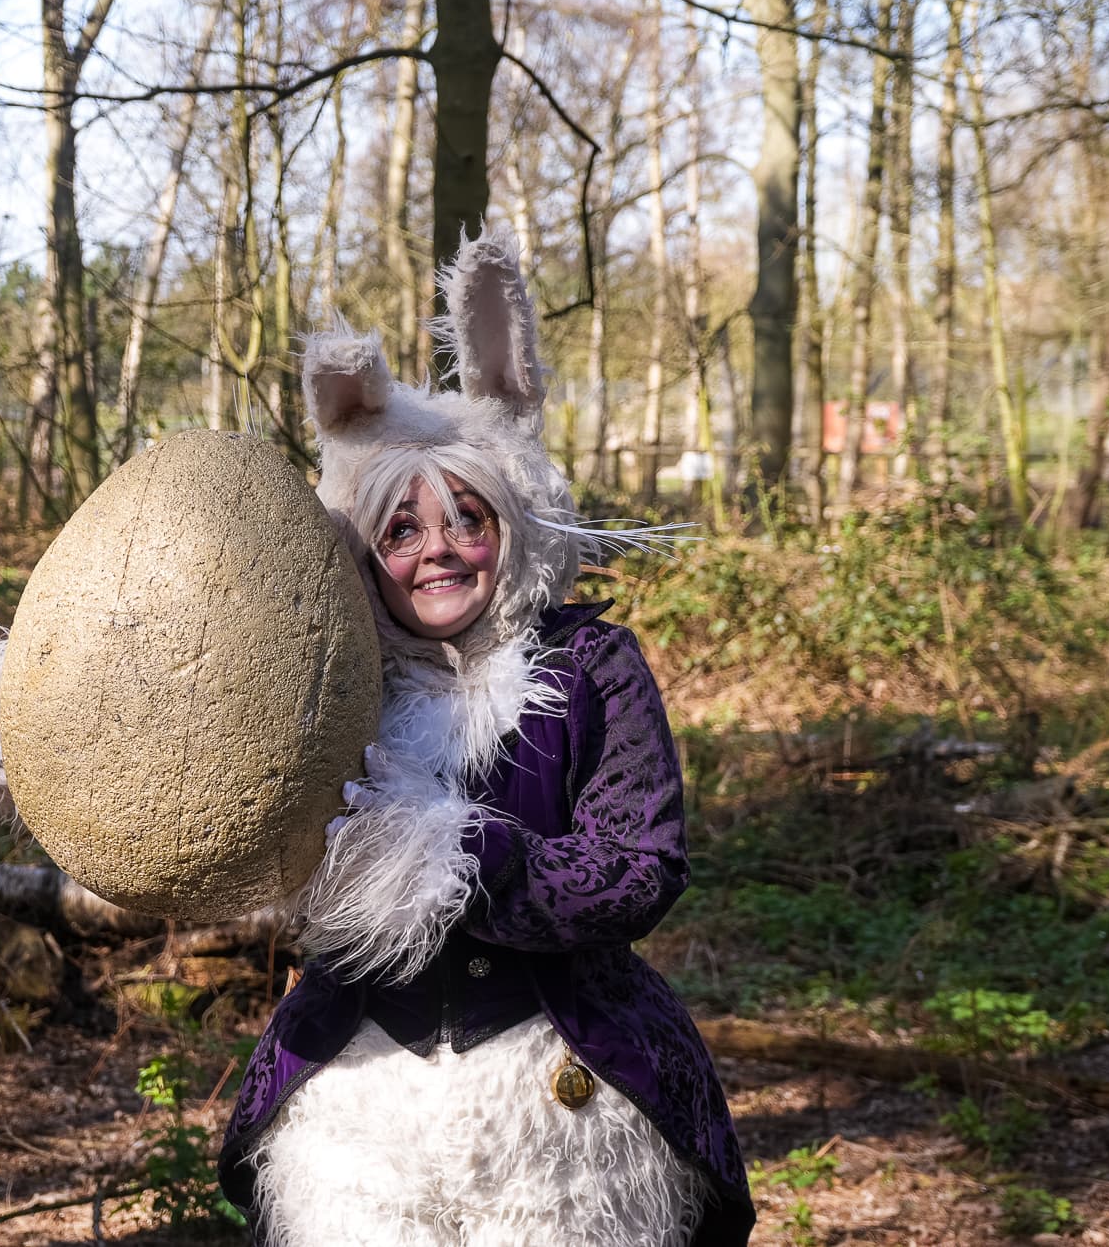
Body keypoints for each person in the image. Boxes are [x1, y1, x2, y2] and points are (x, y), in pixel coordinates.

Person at [218, 235, 753, 1247]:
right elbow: (198, 763)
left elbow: (639, 869)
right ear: (363, 552)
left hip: (563, 1098)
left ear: (512, 525)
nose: (439, 550)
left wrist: (456, 855)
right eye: (402, 531)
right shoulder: (325, 675)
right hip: (359, 1110)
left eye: (466, 517)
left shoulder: (593, 665)